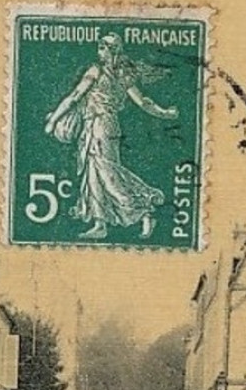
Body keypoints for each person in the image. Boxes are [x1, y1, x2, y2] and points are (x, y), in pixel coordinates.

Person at [42, 31, 179, 239]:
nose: (100, 51)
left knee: (107, 175)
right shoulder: (124, 76)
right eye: (100, 47)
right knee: (96, 174)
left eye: (103, 47)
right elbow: (143, 102)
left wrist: (53, 120)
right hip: (108, 127)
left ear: (110, 51)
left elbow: (75, 96)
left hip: (99, 127)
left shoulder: (96, 71)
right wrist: (164, 113)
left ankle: (144, 210)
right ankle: (100, 223)